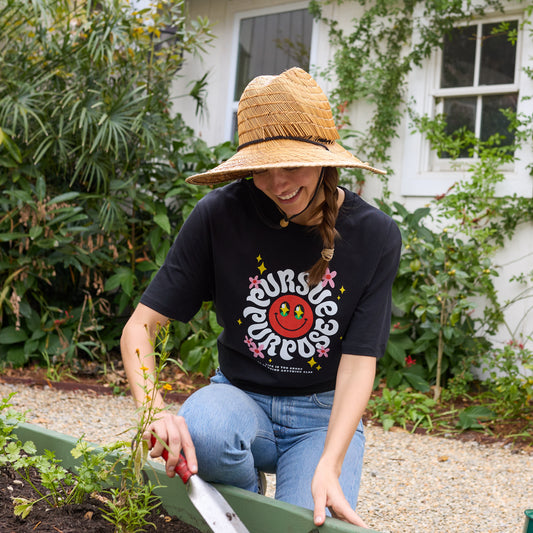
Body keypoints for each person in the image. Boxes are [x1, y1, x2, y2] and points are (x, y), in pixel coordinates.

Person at [121, 67, 401, 528]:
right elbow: (140, 326)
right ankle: (246, 499)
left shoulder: (374, 235)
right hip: (239, 396)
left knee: (301, 524)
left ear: (325, 159)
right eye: (261, 170)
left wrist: (330, 465)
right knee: (205, 433)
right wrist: (153, 411)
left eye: (291, 164)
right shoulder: (220, 215)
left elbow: (358, 361)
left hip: (321, 417)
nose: (278, 183)